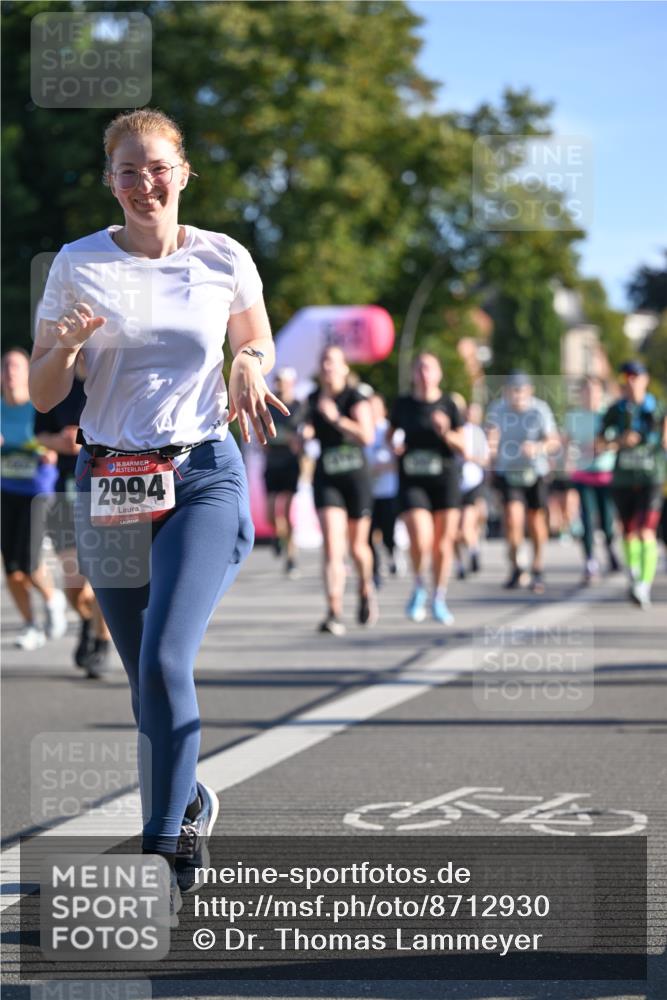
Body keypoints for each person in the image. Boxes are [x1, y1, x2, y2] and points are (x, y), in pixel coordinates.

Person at [29, 108, 287, 919]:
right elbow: (42, 392)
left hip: (202, 470)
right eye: (128, 171)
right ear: (111, 180)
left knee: (168, 662)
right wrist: (64, 349)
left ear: (184, 173)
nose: (146, 183)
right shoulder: (76, 264)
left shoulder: (223, 257)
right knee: (145, 681)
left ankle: (160, 857)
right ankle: (186, 800)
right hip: (108, 480)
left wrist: (246, 361)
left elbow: (258, 342)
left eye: (158, 167)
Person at [34, 357, 114, 676]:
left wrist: (83, 438)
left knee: (106, 574)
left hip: (108, 485)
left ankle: (102, 639)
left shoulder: (112, 374)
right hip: (65, 488)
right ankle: (86, 620)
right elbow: (39, 433)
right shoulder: (58, 381)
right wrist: (61, 442)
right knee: (74, 582)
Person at [300, 345, 376, 635]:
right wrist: (302, 435)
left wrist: (335, 418)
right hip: (327, 476)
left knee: (358, 547)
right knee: (333, 546)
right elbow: (304, 428)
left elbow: (366, 435)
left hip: (356, 477)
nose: (328, 367)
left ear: (344, 367)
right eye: (324, 362)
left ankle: (366, 589)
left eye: (333, 362)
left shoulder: (355, 397)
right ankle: (334, 611)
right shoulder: (313, 399)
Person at [389, 352, 465, 625]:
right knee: (421, 537)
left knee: (443, 546)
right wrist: (393, 446)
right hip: (413, 479)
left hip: (444, 480)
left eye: (429, 368)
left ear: (439, 374)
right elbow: (390, 435)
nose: (424, 373)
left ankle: (439, 597)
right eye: (419, 368)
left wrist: (445, 431)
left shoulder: (450, 404)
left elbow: (464, 447)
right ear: (412, 373)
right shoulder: (403, 404)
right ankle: (420, 585)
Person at [1, 347, 67, 649]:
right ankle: (31, 624)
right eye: (5, 368)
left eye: (16, 367)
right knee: (12, 570)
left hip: (38, 494)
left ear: (28, 374)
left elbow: (58, 442)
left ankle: (53, 602)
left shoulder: (39, 408)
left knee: (29, 563)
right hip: (6, 493)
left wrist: (48, 450)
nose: (10, 373)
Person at [598, 361, 667, 608]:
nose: (631, 381)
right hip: (623, 479)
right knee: (627, 533)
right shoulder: (615, 410)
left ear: (645, 379)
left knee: (646, 531)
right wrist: (618, 440)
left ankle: (643, 585)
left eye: (636, 376)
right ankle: (634, 574)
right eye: (626, 376)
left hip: (651, 477)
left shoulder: (657, 408)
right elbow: (598, 442)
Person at [486, 371, 561, 594]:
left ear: (530, 391)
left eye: (521, 390)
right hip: (508, 472)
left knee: (536, 521)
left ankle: (537, 567)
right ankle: (517, 566)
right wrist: (491, 453)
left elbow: (553, 442)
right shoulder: (498, 410)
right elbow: (491, 438)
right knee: (512, 519)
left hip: (534, 472)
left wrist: (537, 448)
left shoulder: (540, 410)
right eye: (512, 390)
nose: (516, 396)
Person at [565, 376, 620, 583]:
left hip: (605, 473)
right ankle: (589, 561)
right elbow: (567, 441)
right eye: (586, 391)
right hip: (583, 473)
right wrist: (567, 459)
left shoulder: (608, 414)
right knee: (587, 518)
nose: (590, 395)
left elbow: (617, 442)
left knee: (606, 520)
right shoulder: (574, 416)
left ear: (600, 393)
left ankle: (609, 547)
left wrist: (603, 446)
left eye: (594, 391)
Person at [262, 367, 302, 578]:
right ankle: (278, 536)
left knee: (287, 511)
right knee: (271, 512)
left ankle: (291, 556)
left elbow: (303, 433)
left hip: (290, 464)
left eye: (283, 381)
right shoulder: (269, 405)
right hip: (272, 463)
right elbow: (263, 436)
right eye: (277, 380)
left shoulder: (298, 407)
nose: (279, 384)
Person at [366, 393, 399, 587]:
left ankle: (392, 552)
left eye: (375, 406)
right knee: (369, 534)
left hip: (388, 490)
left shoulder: (390, 430)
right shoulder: (363, 429)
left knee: (387, 533)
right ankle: (376, 570)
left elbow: (399, 459)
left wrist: (383, 468)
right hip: (368, 491)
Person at [455, 401, 489, 579]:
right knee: (453, 529)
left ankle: (473, 549)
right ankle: (459, 563)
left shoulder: (476, 433)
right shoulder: (453, 430)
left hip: (471, 483)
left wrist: (470, 457)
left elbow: (485, 459)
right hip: (453, 485)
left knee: (465, 525)